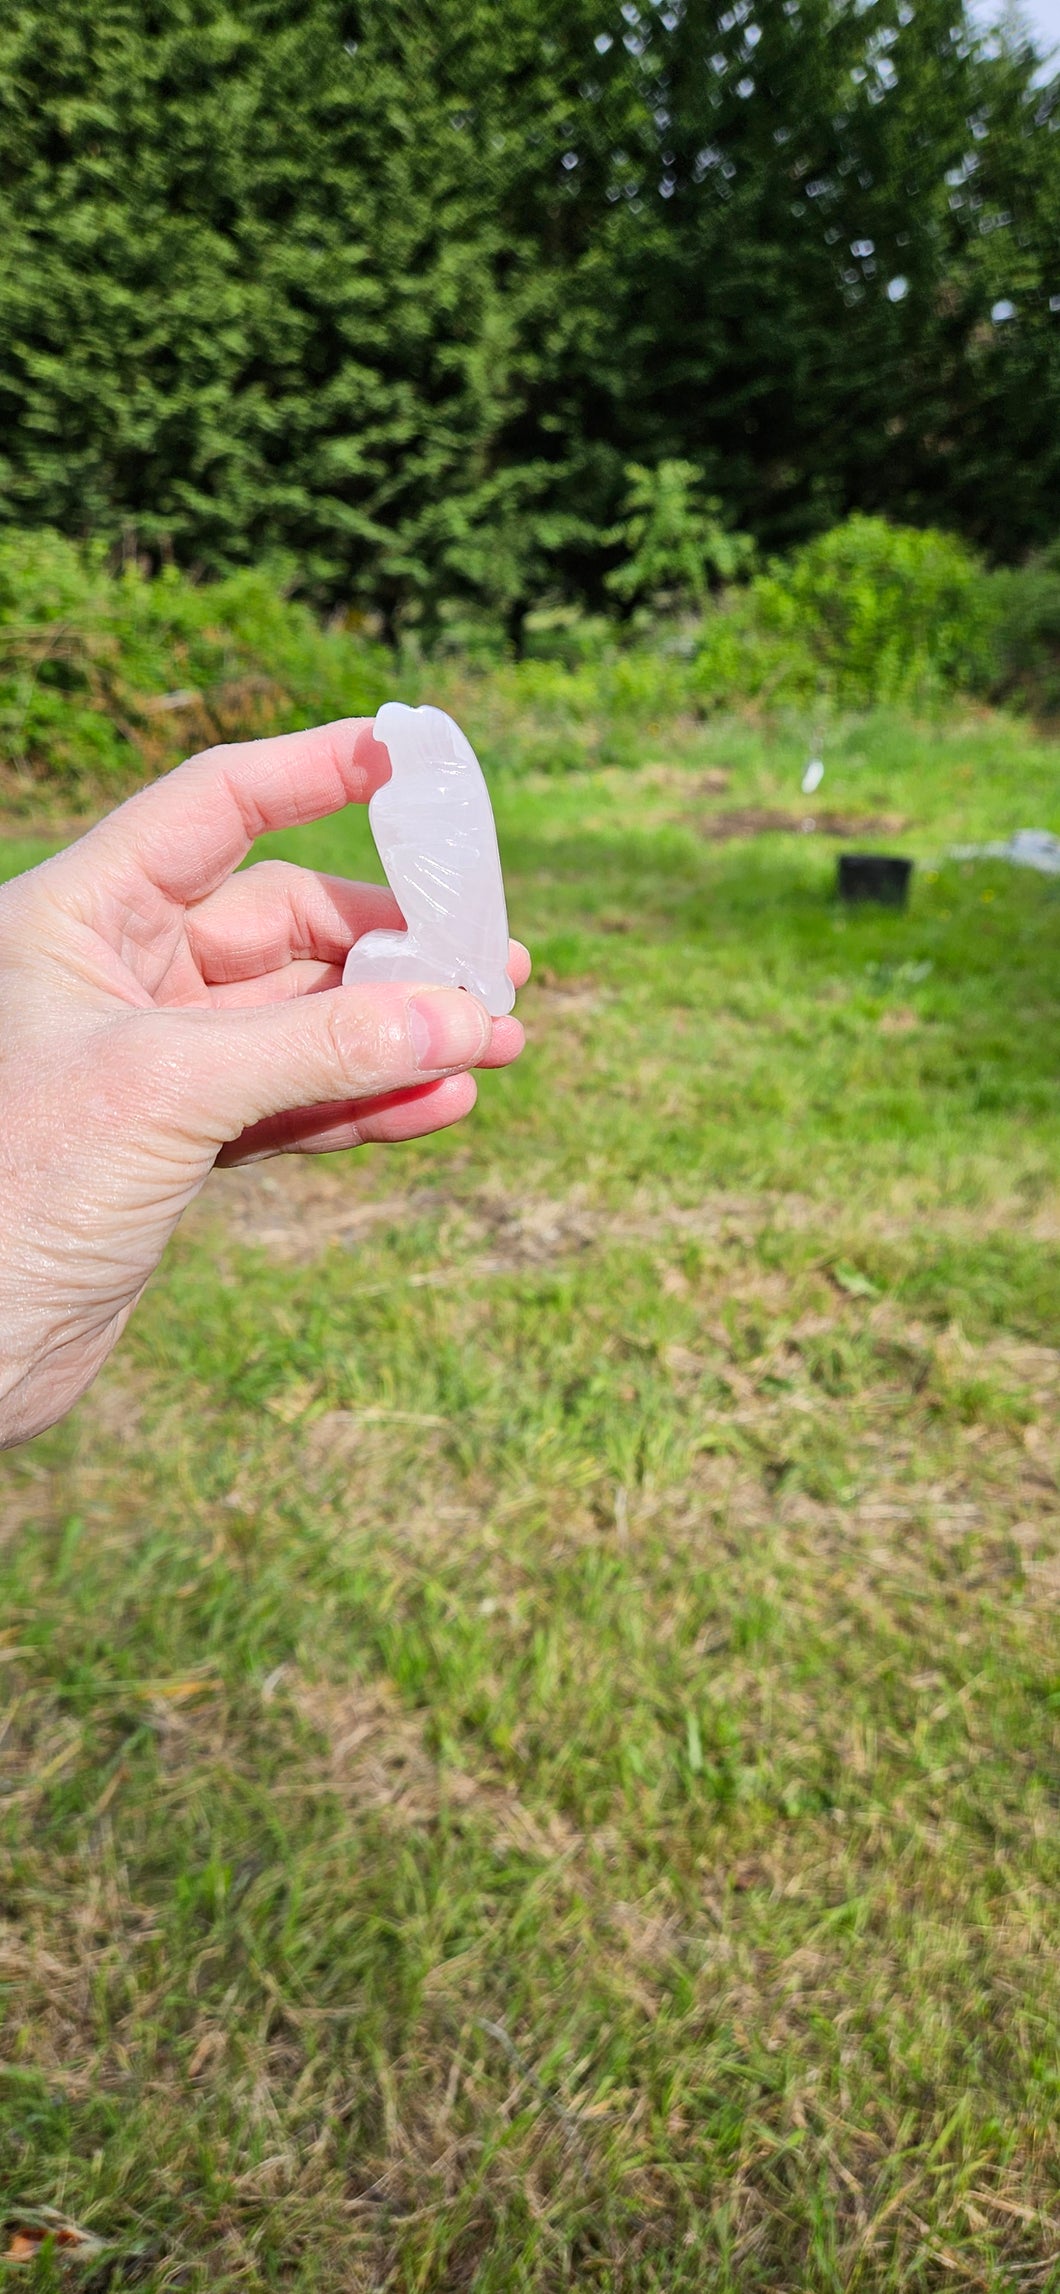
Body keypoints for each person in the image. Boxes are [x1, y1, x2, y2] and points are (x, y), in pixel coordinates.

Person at [0, 717, 529, 1451]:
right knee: (385, 956)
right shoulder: (421, 803)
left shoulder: (433, 803)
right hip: (452, 945)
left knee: (395, 954)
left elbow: (452, 873)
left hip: (455, 945)